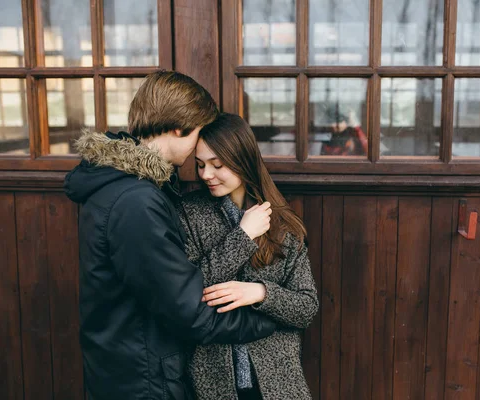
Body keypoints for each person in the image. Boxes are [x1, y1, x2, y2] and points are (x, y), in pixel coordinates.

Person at [63, 71, 276, 400]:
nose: (196, 151)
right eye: (198, 134)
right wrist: (269, 319)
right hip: (143, 380)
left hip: (127, 368)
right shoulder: (136, 202)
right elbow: (190, 312)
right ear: (180, 127)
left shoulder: (127, 187)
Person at [176, 113, 319, 400]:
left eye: (217, 165)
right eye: (201, 164)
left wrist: (260, 293)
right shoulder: (188, 214)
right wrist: (242, 237)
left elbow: (306, 308)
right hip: (213, 381)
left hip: (278, 382)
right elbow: (187, 293)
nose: (205, 175)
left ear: (243, 161)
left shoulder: (282, 223)